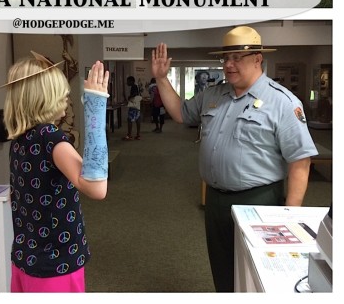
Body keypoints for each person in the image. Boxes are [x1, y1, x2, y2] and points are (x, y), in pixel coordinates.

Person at [151, 26, 317, 292]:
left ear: (258, 59)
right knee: (222, 267)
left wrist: (288, 215)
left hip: (258, 199)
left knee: (256, 271)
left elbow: (300, 161)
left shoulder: (282, 102)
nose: (229, 64)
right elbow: (182, 114)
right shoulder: (214, 94)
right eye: (226, 57)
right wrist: (161, 79)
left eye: (237, 57)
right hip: (215, 200)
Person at [2, 52, 109, 292]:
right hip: (55, 268)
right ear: (47, 99)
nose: (66, 99)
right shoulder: (53, 140)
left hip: (25, 260)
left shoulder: (19, 141)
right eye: (62, 95)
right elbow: (97, 188)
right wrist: (95, 105)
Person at [123, 75, 141, 140]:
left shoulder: (134, 86)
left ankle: (129, 135)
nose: (127, 83)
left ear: (131, 81)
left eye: (128, 81)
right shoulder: (136, 86)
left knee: (130, 120)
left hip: (133, 106)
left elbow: (135, 94)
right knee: (137, 119)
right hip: (137, 105)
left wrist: (129, 97)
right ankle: (138, 134)